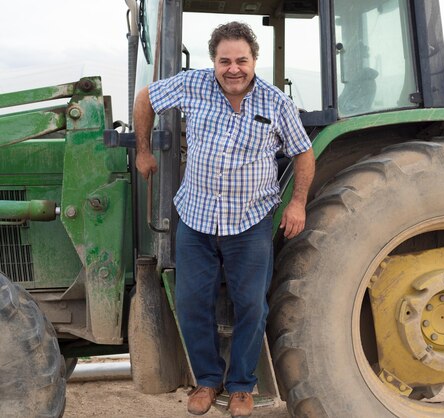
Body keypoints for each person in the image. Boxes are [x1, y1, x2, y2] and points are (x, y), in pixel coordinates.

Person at [133, 21, 315, 417]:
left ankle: (241, 387)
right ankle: (207, 381)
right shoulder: (193, 85)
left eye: (241, 60)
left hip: (249, 222)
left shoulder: (275, 104)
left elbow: (303, 152)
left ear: (254, 60)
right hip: (196, 218)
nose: (234, 68)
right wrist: (143, 150)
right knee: (192, 302)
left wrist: (297, 203)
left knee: (250, 304)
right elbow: (145, 98)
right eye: (225, 60)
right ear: (214, 62)